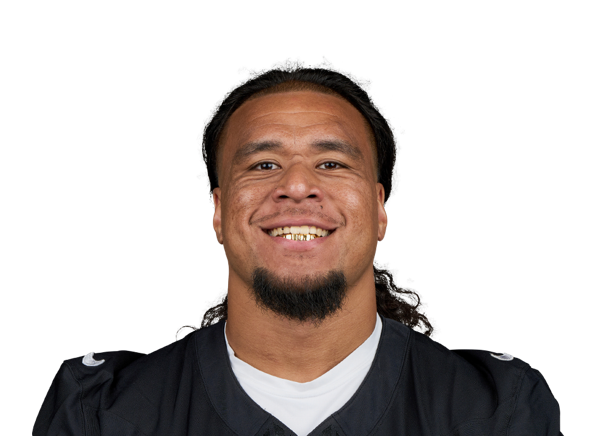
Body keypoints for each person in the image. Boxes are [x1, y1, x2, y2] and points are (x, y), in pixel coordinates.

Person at [33, 57, 563, 435]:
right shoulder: (99, 414)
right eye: (263, 164)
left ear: (379, 208)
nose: (297, 184)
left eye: (331, 163)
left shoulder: (497, 411)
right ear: (218, 211)